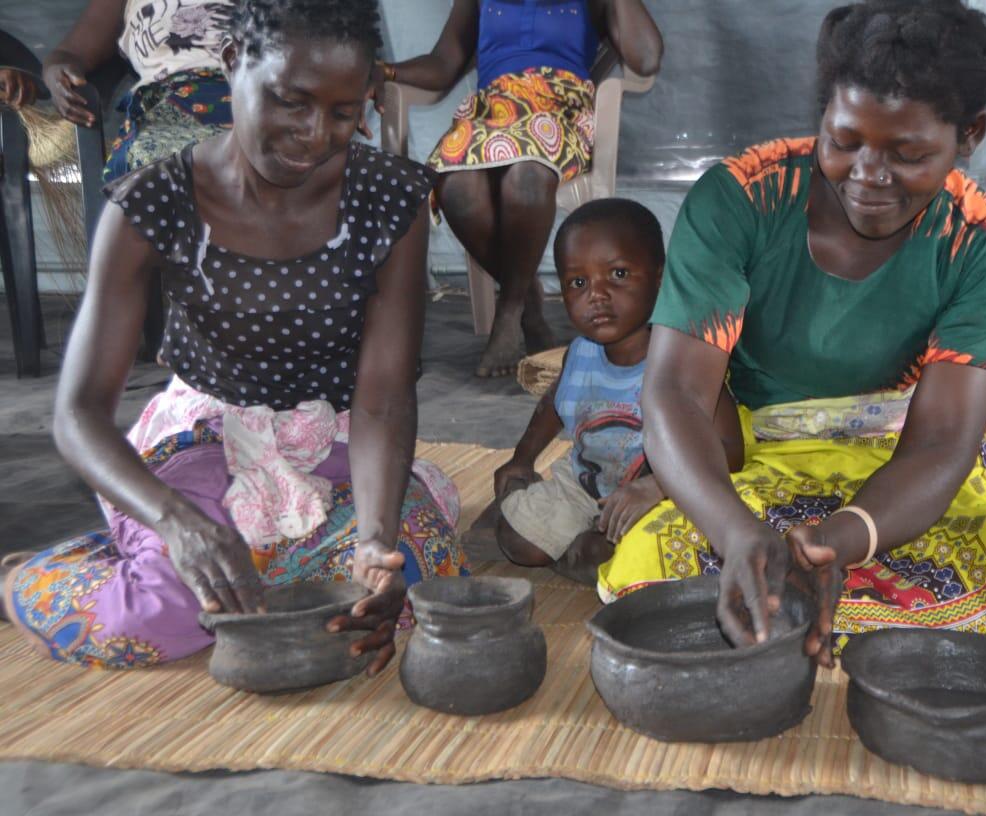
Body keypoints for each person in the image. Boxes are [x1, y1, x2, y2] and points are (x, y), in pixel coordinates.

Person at [601, 0, 986, 666]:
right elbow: (676, 394)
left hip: (901, 457)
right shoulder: (740, 200)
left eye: (908, 154)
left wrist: (840, 542)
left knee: (963, 591)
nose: (869, 174)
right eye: (844, 141)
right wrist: (736, 535)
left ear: (970, 136)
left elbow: (938, 443)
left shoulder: (984, 247)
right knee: (651, 575)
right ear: (823, 114)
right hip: (753, 452)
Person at [0, 0, 467, 674]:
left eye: (343, 113)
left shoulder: (389, 197)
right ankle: (25, 578)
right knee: (160, 615)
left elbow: (383, 398)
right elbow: (77, 416)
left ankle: (257, 555)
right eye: (289, 101)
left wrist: (373, 540)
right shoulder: (152, 202)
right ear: (231, 64)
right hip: (204, 441)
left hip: (327, 440)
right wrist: (176, 523)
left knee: (410, 581)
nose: (314, 134)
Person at [374, 0, 663, 377]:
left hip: (557, 111)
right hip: (491, 114)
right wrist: (386, 70)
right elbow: (444, 64)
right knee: (455, 184)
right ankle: (528, 303)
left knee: (526, 175)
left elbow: (645, 59)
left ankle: (508, 314)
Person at [490, 198, 742, 584]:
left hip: (664, 494)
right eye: (578, 283)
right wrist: (522, 458)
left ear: (661, 278)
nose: (597, 295)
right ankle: (579, 543)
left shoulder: (685, 361)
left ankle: (590, 550)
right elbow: (553, 407)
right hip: (585, 483)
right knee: (517, 543)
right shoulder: (580, 354)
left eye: (619, 274)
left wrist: (657, 486)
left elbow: (731, 451)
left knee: (650, 550)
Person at [0, 0, 236, 182]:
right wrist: (57, 75)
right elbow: (72, 54)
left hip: (247, 93)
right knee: (146, 167)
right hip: (168, 107)